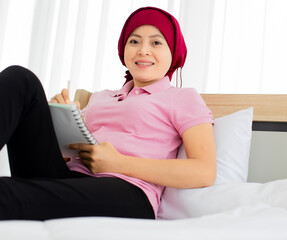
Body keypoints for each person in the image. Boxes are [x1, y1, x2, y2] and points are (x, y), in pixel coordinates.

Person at [0, 6, 216, 220]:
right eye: (134, 41)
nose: (143, 50)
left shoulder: (183, 97)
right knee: (21, 79)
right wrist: (55, 119)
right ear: (124, 49)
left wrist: (117, 163)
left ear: (174, 51)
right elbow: (67, 153)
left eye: (156, 42)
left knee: (7, 193)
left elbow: (204, 171)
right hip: (69, 177)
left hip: (127, 190)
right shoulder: (101, 97)